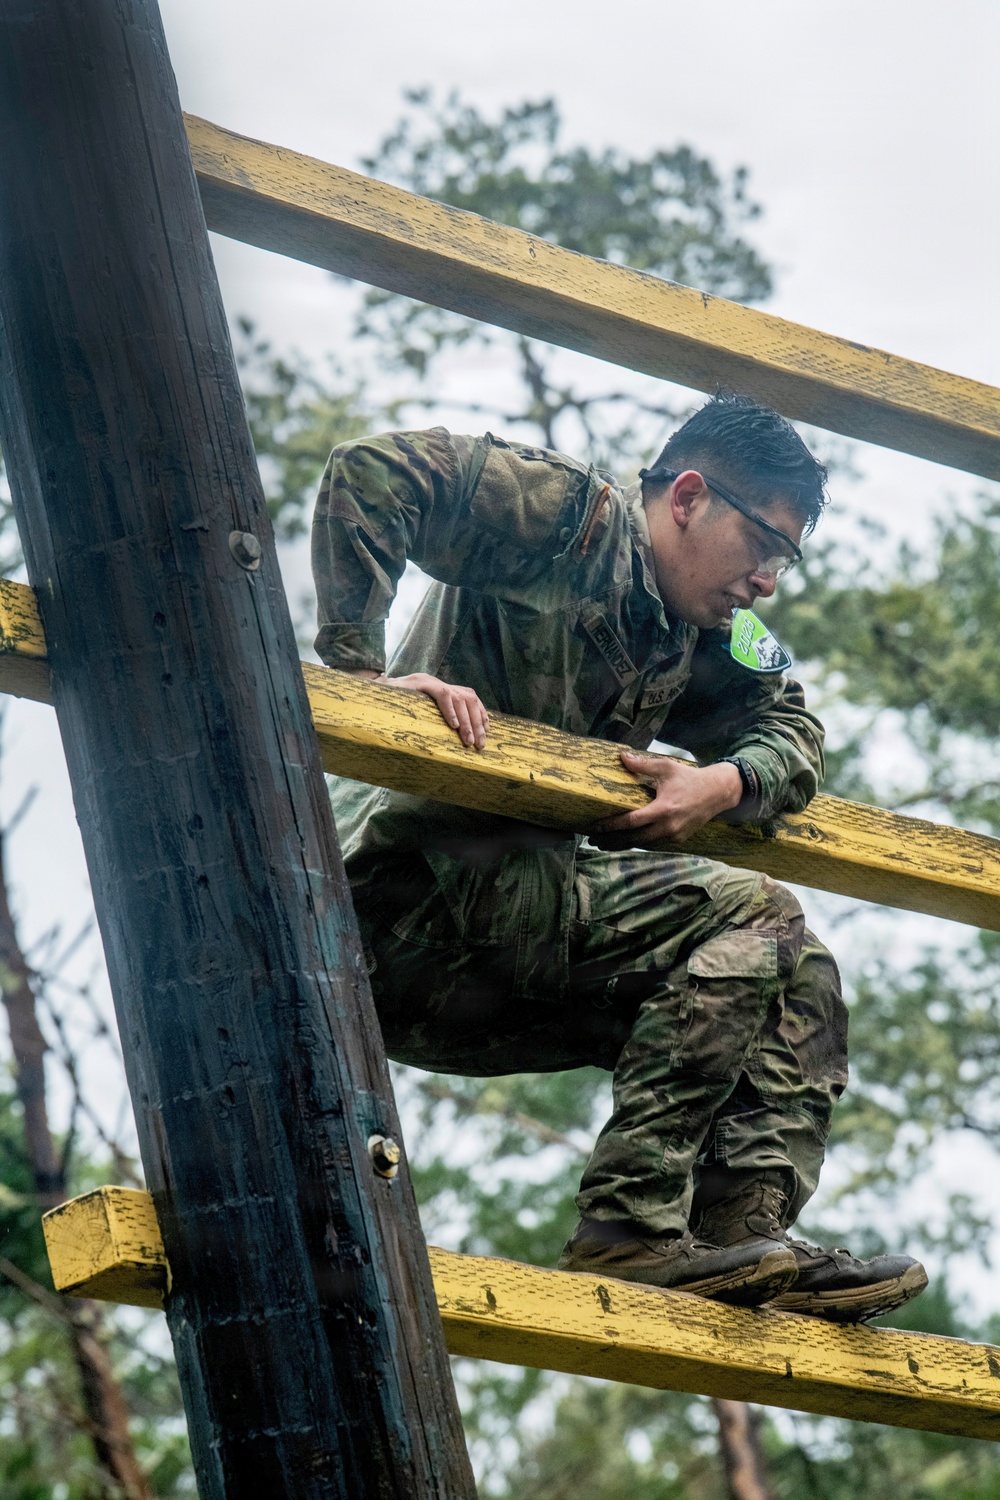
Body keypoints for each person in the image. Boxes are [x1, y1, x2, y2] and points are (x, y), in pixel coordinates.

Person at [311, 392, 927, 1321]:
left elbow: (793, 724)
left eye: (785, 562)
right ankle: (629, 1232)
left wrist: (720, 783)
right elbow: (374, 472)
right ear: (687, 498)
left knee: (792, 962)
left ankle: (738, 1237)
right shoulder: (567, 518)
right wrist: (360, 683)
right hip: (394, 917)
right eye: (765, 547)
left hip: (510, 949)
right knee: (753, 910)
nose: (767, 582)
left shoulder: (713, 630)